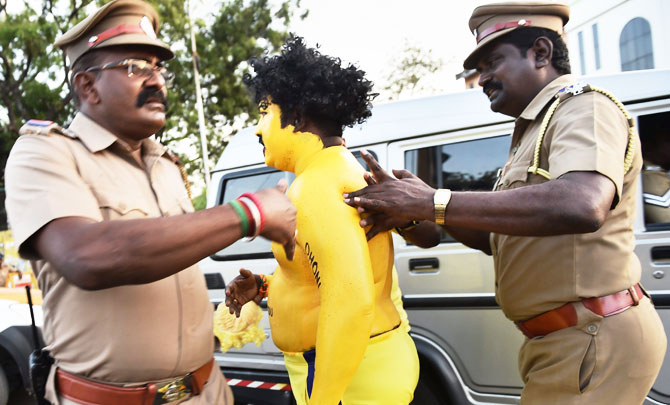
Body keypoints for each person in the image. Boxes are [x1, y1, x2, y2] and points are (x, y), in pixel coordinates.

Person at [343, 2, 667, 403]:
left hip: (593, 334)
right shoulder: (533, 129)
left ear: (541, 53)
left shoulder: (586, 106)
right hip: (567, 339)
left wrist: (433, 201)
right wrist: (412, 212)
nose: (482, 79)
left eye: (493, 61)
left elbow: (583, 203)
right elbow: (497, 238)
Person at [3, 0, 297, 403]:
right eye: (136, 67)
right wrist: (251, 212)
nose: (156, 80)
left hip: (207, 391)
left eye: (159, 69)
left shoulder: (167, 164)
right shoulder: (45, 154)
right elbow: (85, 255)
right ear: (87, 86)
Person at [224, 36, 419, 405]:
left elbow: (350, 300)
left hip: (349, 376)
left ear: (296, 117)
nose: (257, 128)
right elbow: (325, 275)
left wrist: (324, 400)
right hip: (351, 367)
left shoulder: (316, 185)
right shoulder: (332, 171)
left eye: (265, 112)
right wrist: (266, 287)